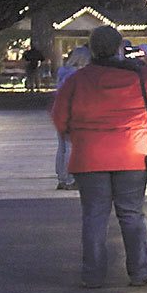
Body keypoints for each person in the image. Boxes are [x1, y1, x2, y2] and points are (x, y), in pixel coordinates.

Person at [51, 26, 147, 289]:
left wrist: (77, 136)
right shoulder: (139, 79)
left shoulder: (76, 80)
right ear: (120, 49)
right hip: (131, 156)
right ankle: (139, 273)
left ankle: (93, 276)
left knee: (94, 217)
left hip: (89, 157)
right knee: (132, 215)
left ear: (92, 50)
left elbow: (59, 116)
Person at [52, 46, 91, 190]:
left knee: (62, 147)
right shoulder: (77, 75)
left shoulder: (63, 72)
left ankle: (61, 177)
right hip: (73, 113)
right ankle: (70, 178)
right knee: (71, 147)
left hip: (60, 111)